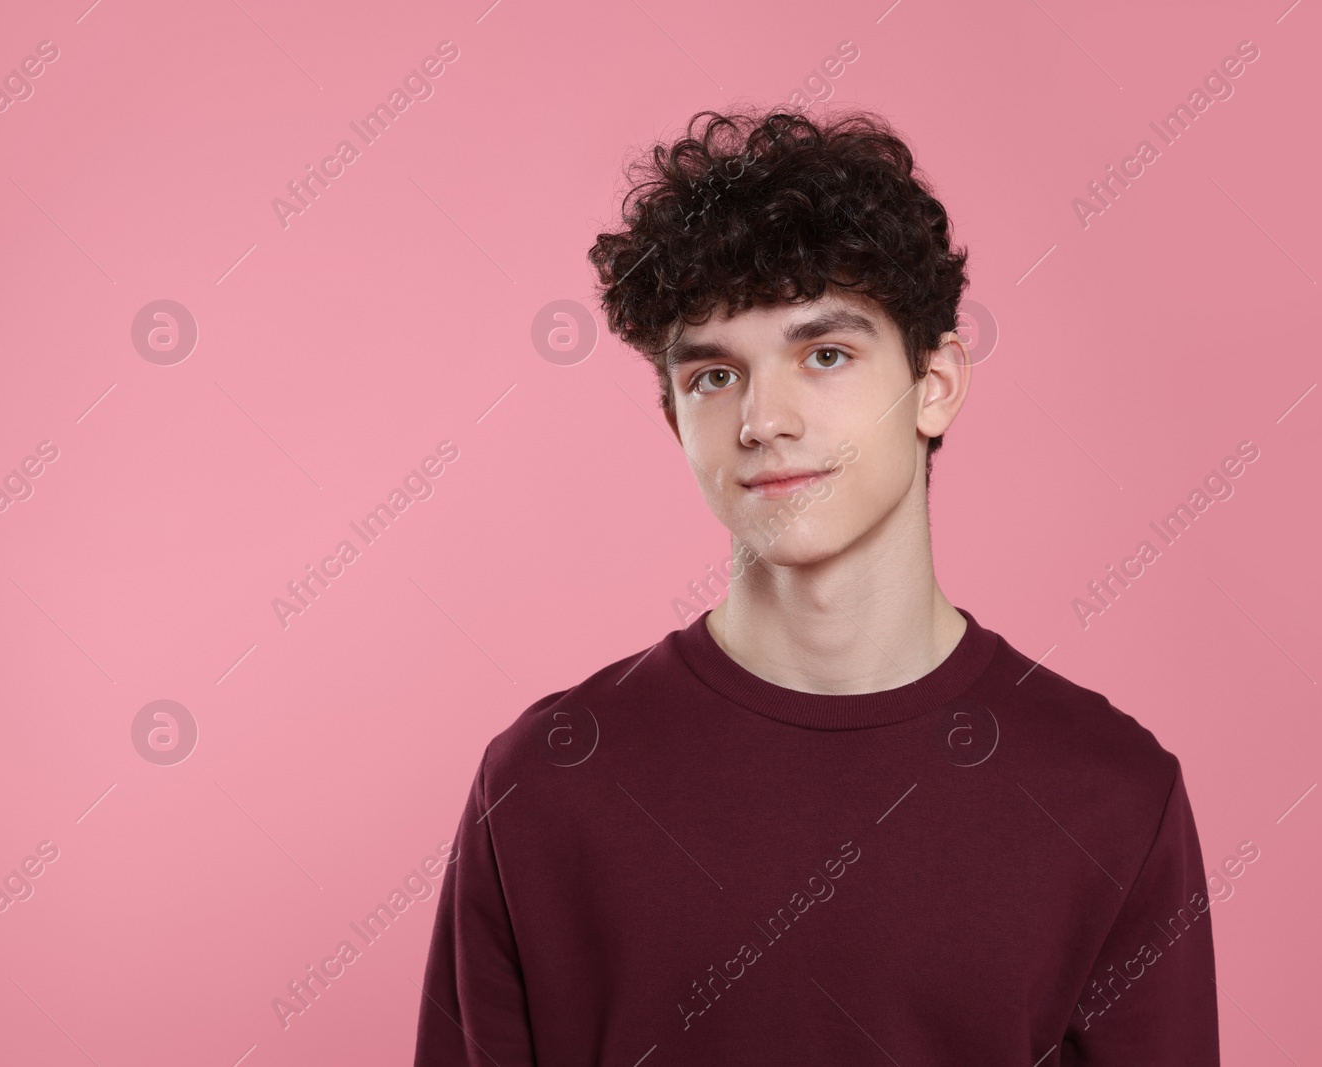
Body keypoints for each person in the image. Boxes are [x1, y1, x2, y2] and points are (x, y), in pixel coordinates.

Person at [413, 106, 1219, 1065]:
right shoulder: (545, 779)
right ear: (674, 417)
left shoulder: (1110, 794)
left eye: (824, 355)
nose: (764, 419)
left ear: (936, 384)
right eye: (714, 377)